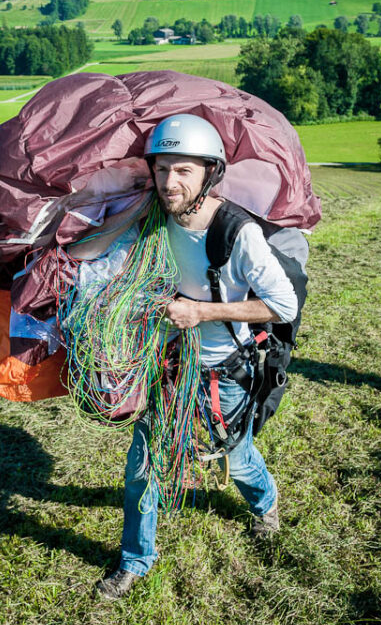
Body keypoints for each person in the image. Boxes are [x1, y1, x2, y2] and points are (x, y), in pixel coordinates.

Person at [92, 114, 299, 600]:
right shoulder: (151, 214)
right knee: (143, 464)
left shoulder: (236, 232)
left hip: (224, 370)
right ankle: (135, 560)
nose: (170, 182)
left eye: (184, 171)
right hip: (167, 364)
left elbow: (282, 305)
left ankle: (265, 503)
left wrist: (200, 311)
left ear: (210, 173)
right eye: (163, 169)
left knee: (238, 456)